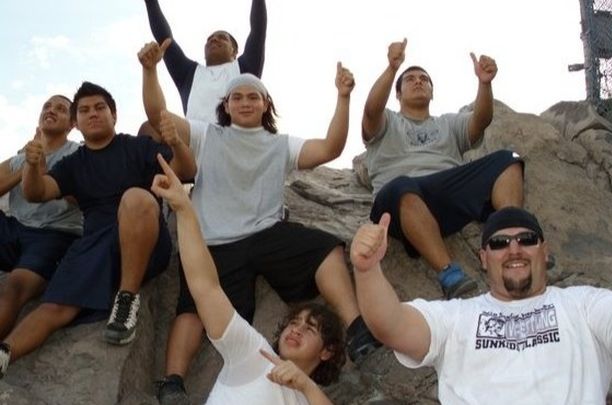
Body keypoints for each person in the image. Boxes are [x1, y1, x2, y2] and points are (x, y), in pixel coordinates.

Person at [139, 41, 380, 404]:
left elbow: (330, 147)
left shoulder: (280, 144)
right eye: (237, 97)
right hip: (216, 240)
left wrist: (343, 97)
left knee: (325, 249)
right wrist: (150, 71)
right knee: (194, 306)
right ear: (226, 105)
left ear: (266, 104)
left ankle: (358, 328)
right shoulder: (206, 135)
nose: (245, 102)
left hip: (267, 233)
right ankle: (173, 381)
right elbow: (158, 115)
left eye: (253, 96)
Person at [351, 201, 612, 404]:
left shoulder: (583, 306)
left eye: (526, 239)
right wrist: (366, 271)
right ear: (484, 258)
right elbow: (392, 326)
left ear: (544, 251)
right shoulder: (455, 318)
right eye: (499, 243)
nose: (514, 250)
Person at [0, 82, 196, 379]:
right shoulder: (73, 164)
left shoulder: (136, 146)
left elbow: (186, 171)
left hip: (143, 238)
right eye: (84, 110)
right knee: (55, 307)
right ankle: (5, 353)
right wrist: (32, 166)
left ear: (114, 115)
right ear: (76, 124)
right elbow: (37, 193)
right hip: (95, 244)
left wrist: (177, 143)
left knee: (136, 197)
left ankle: (126, 299)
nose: (92, 114)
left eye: (100, 107)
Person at [151, 153, 342, 404]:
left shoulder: (309, 399)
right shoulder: (253, 354)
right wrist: (184, 210)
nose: (296, 329)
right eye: (294, 322)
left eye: (310, 328)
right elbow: (206, 288)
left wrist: (306, 386)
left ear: (327, 351)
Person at [361, 38, 525, 299]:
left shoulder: (448, 123)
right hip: (400, 203)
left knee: (508, 159)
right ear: (398, 94)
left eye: (424, 79)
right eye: (410, 79)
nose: (418, 82)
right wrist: (392, 68)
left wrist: (484, 84)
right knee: (401, 186)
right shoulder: (386, 121)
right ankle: (450, 275)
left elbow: (481, 121)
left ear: (432, 92)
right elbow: (371, 110)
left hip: (446, 191)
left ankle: (513, 236)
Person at [0, 95, 82, 341]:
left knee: (14, 288)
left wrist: (46, 179)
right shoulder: (22, 155)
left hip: (53, 234)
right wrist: (27, 167)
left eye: (61, 109)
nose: (51, 110)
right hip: (14, 227)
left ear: (73, 124)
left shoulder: (78, 154)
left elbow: (86, 197)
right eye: (47, 106)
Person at [142, 0, 266, 124]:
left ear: (234, 51)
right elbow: (165, 39)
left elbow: (258, 29)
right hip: (193, 136)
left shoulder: (244, 68)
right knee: (148, 127)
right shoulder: (189, 74)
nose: (214, 39)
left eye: (222, 38)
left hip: (233, 134)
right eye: (209, 39)